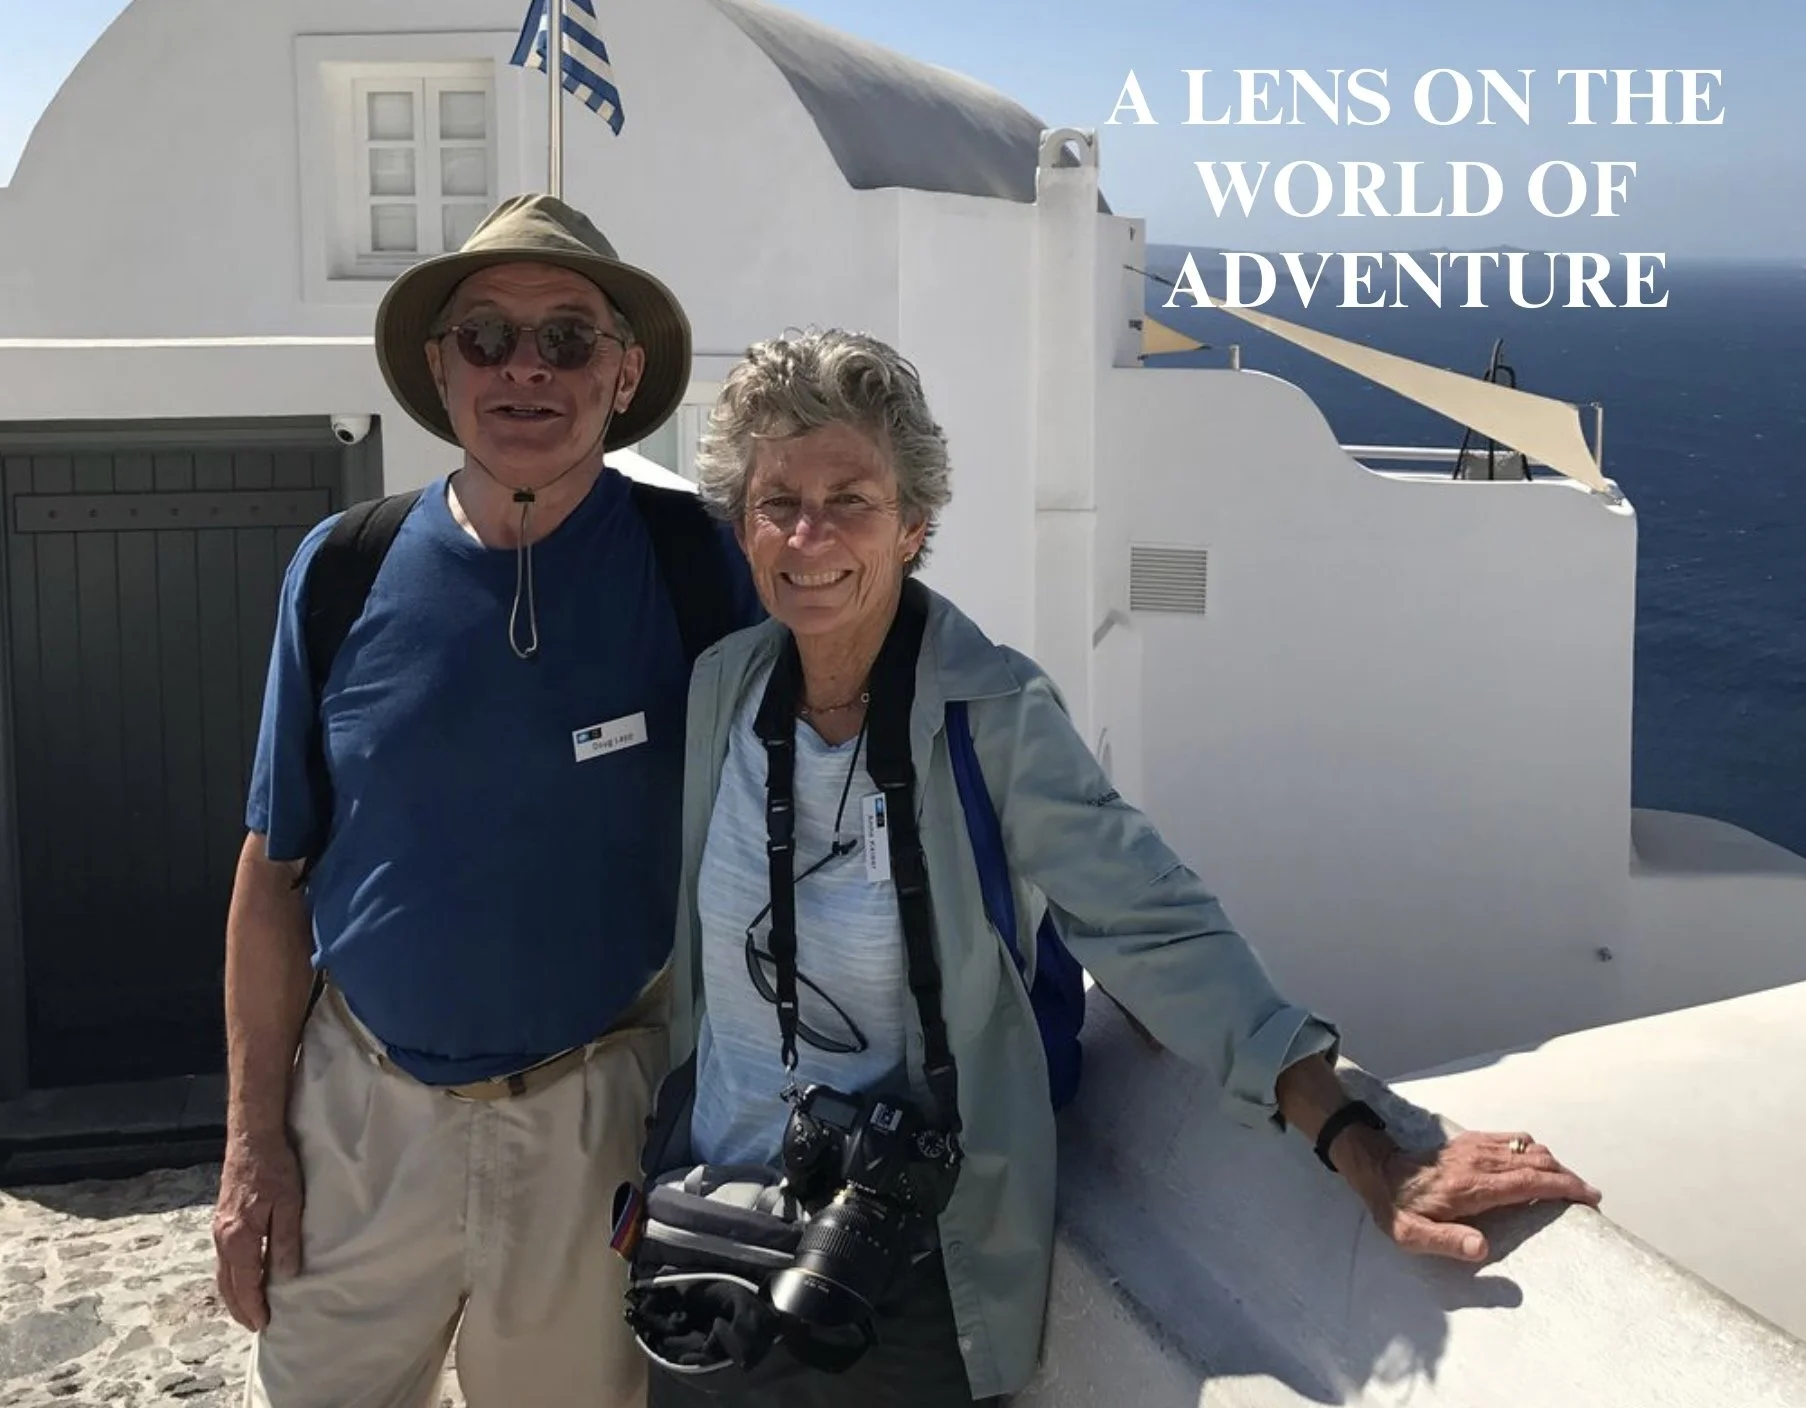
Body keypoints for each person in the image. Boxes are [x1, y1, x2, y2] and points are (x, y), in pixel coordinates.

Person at [640, 328, 1603, 1407]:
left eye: (850, 498)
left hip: (894, 1270)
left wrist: (1367, 1141)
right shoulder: (725, 684)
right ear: (742, 523)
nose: (809, 533)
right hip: (709, 1227)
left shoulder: (989, 715)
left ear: (913, 526)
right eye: (779, 501)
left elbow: (1154, 925)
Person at [215, 194, 756, 1408]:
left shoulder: (699, 565)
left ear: (622, 375)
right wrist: (254, 1149)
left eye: (568, 338)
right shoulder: (342, 566)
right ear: (436, 366)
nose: (526, 368)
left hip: (593, 1124)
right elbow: (273, 872)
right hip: (357, 1119)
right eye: (487, 336)